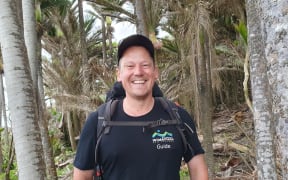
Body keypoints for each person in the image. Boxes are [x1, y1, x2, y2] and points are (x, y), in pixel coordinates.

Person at [73, 34, 209, 180]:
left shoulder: (178, 117)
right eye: (130, 66)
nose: (138, 72)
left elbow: (198, 169)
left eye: (145, 65)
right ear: (119, 74)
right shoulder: (98, 122)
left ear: (155, 72)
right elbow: (82, 176)